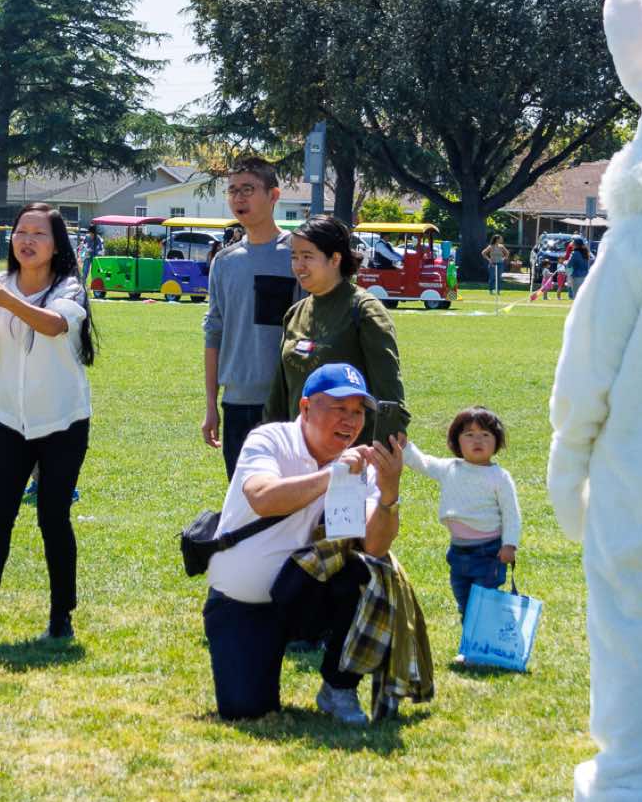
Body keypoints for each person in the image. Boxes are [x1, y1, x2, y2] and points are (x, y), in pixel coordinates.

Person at [202, 364, 413, 723]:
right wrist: (332, 475)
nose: (350, 421)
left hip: (301, 596)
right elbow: (263, 498)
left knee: (367, 573)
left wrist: (389, 492)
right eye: (339, 408)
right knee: (246, 710)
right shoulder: (270, 439)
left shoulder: (361, 466)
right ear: (305, 408)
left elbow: (375, 545)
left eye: (358, 411)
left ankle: (339, 687)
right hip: (242, 601)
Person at [0, 203, 95, 644]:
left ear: (56, 245)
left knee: (53, 518)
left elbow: (54, 326)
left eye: (39, 234)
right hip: (10, 422)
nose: (27, 241)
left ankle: (61, 618)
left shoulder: (69, 287)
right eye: (21, 232)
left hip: (63, 421)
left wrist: (3, 302)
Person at [263, 215, 408, 447]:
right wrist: (270, 439)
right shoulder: (294, 314)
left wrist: (388, 439)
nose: (299, 265)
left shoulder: (363, 310)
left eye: (307, 256)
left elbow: (388, 387)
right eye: (294, 257)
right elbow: (280, 393)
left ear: (335, 259)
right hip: (300, 452)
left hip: (353, 452)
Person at [201, 158, 297, 480]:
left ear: (273, 195)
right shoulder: (224, 262)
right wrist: (211, 405)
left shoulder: (298, 255)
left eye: (248, 189)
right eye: (232, 191)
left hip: (287, 403)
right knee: (242, 498)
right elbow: (213, 332)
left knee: (287, 500)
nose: (238, 198)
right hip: (236, 404)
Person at [405, 407, 521, 666]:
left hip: (489, 552)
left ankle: (480, 651)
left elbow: (512, 514)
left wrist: (509, 544)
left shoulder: (499, 477)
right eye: (469, 434)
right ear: (456, 441)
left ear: (497, 441)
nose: (477, 440)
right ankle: (474, 648)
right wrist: (404, 446)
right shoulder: (450, 468)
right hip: (458, 552)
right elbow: (422, 462)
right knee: (465, 602)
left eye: (485, 435)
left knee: (483, 603)